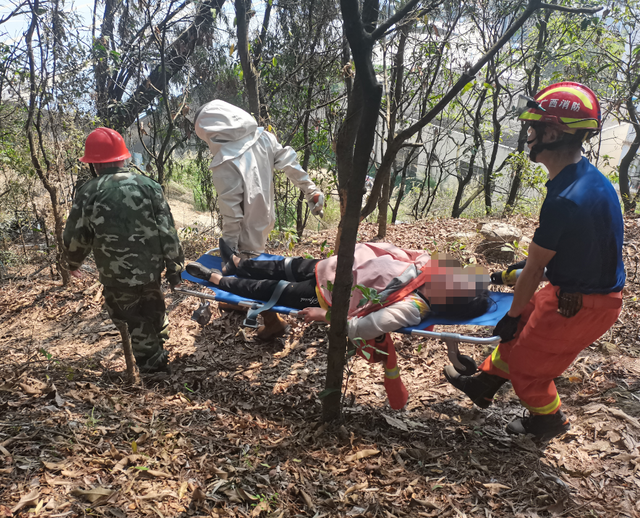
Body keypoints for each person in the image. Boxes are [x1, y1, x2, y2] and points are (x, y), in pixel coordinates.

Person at [444, 82, 625, 440]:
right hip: (570, 289)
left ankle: (548, 421)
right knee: (525, 321)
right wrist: (514, 282)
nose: (528, 135)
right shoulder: (583, 179)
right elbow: (563, 250)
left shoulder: (565, 200)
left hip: (583, 304)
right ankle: (485, 383)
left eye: (534, 128)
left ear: (554, 133)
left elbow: (535, 269)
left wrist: (510, 316)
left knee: (529, 366)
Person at [187, 242, 491, 409]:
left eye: (455, 279)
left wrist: (327, 317)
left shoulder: (413, 306)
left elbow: (367, 326)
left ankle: (217, 278)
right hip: (337, 268)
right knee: (287, 265)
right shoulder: (427, 269)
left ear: (449, 296)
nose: (450, 272)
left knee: (274, 288)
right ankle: (240, 264)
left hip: (331, 296)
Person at [63, 127, 185, 374]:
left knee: (134, 320)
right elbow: (167, 231)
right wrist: (174, 269)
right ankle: (158, 348)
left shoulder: (89, 192)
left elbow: (77, 235)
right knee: (153, 309)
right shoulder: (150, 186)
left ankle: (155, 372)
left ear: (95, 164)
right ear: (123, 157)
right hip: (151, 269)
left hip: (116, 275)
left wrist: (72, 262)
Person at [194, 100, 325, 254]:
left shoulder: (225, 162)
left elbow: (232, 215)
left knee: (248, 273)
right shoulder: (264, 138)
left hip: (245, 240)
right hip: (264, 224)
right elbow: (290, 163)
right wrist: (310, 189)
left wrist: (228, 251)